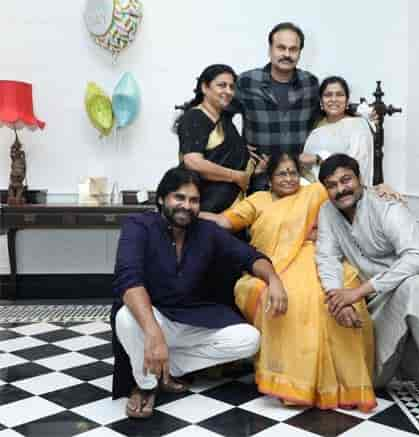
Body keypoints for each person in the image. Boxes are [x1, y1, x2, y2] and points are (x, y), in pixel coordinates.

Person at [201, 153, 377, 411]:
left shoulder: (314, 192)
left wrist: (383, 189)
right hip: (271, 266)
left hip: (314, 257)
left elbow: (352, 190)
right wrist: (192, 212)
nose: (289, 178)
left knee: (325, 294)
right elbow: (224, 221)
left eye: (293, 172)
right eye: (282, 173)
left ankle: (339, 384)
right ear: (270, 179)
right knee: (287, 296)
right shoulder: (257, 200)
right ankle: (292, 382)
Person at [110, 167, 287, 419]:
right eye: (179, 198)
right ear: (161, 199)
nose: (186, 206)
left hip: (192, 318)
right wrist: (153, 332)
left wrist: (274, 279)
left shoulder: (207, 231)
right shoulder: (139, 226)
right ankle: (146, 386)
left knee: (248, 339)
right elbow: (129, 279)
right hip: (153, 315)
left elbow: (249, 256)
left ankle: (162, 368)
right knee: (125, 318)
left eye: (193, 200)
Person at [315, 154, 419, 435]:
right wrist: (337, 296)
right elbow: (326, 258)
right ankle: (392, 369)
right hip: (375, 306)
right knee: (370, 380)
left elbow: (418, 257)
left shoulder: (386, 205)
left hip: (405, 292)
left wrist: (358, 292)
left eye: (346, 180)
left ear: (360, 179)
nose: (341, 189)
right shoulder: (327, 212)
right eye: (332, 184)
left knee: (418, 285)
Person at [175, 64, 253, 213]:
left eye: (231, 87)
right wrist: (236, 176)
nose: (228, 91)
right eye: (222, 85)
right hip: (205, 208)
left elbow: (228, 151)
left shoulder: (224, 119)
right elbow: (193, 162)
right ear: (205, 87)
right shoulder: (195, 117)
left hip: (230, 207)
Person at [234, 22, 320, 157]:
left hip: (298, 170)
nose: (287, 54)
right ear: (270, 49)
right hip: (259, 170)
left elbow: (324, 118)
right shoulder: (247, 81)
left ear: (300, 52)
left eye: (293, 49)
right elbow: (221, 114)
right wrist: (235, 144)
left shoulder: (310, 83)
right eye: (281, 48)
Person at [300, 76, 374, 184]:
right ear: (321, 101)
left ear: (347, 101)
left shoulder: (358, 126)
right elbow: (304, 166)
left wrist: (318, 159)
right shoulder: (316, 127)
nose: (333, 99)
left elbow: (356, 168)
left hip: (341, 191)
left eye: (339, 95)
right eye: (328, 95)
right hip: (308, 188)